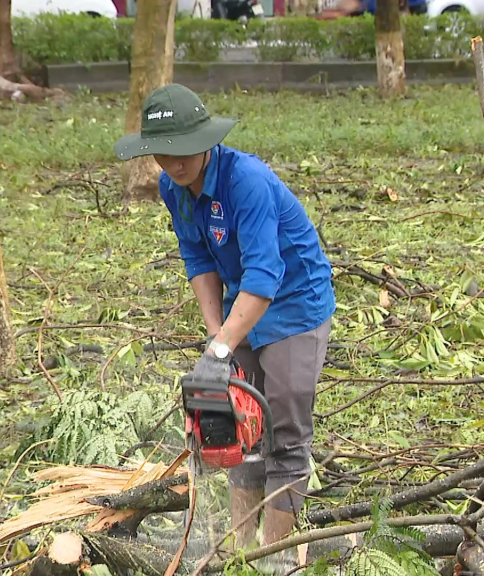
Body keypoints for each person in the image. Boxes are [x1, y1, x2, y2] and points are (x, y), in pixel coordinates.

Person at [113, 84, 336, 559]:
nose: (176, 163)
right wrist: (219, 338)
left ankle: (276, 559)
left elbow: (265, 274)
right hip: (244, 306)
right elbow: (197, 259)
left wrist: (219, 350)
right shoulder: (175, 189)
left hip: (295, 302)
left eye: (185, 150)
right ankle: (239, 554)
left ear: (206, 139)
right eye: (164, 153)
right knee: (239, 426)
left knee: (285, 429)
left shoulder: (246, 181)